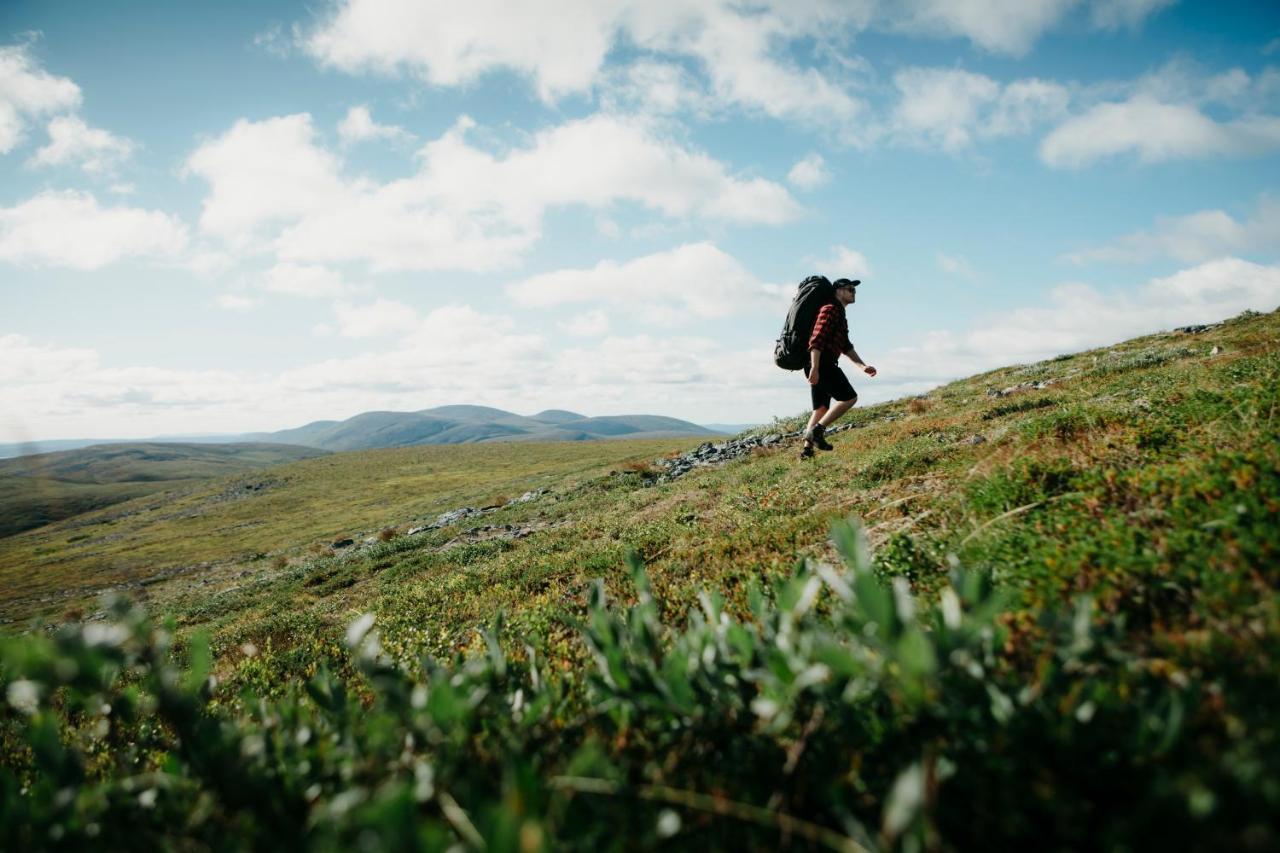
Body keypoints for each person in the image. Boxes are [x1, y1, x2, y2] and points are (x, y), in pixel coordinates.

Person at [801, 278, 876, 459]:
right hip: (821, 363)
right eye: (850, 289)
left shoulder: (839, 313)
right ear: (839, 291)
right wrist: (816, 367)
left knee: (820, 408)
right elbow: (817, 339)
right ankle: (817, 432)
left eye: (854, 290)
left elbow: (845, 345)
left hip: (817, 363)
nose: (853, 292)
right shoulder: (830, 309)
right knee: (849, 398)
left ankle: (806, 451)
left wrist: (862, 366)